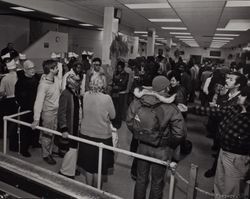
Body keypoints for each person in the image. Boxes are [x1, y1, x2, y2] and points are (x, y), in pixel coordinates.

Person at [126, 75, 186, 199]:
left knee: (141, 179)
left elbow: (130, 122)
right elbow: (179, 134)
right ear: (166, 88)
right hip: (161, 150)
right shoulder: (171, 108)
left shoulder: (138, 101)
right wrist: (166, 142)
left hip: (142, 146)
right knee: (157, 183)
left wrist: (141, 134)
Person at [78, 75, 115, 187]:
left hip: (86, 134)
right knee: (99, 166)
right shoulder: (107, 98)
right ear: (102, 85)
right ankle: (97, 192)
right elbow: (113, 115)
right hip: (102, 136)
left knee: (89, 166)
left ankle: (89, 190)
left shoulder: (85, 96)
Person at [31, 59, 61, 165]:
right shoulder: (43, 85)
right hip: (48, 113)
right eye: (56, 67)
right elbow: (38, 102)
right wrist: (36, 119)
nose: (58, 68)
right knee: (47, 134)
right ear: (51, 70)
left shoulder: (56, 79)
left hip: (56, 111)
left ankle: (50, 151)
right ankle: (45, 154)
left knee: (52, 133)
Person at [15, 60, 40, 157]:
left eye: (33, 67)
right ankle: (23, 149)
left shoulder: (36, 78)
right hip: (26, 110)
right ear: (25, 70)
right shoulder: (20, 82)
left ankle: (35, 143)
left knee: (36, 127)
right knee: (25, 130)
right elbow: (18, 97)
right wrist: (27, 107)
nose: (33, 70)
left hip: (36, 108)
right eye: (30, 68)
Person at [58, 74, 81, 178]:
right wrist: (64, 129)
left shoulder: (75, 93)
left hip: (76, 124)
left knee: (74, 148)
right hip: (69, 126)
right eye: (76, 82)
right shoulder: (65, 94)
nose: (79, 84)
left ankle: (71, 169)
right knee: (70, 148)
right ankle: (65, 171)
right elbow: (61, 112)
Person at [0, 58, 19, 151]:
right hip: (17, 100)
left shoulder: (5, 78)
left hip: (8, 101)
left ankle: (8, 141)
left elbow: (2, 92)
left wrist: (6, 93)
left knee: (8, 121)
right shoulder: (18, 76)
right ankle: (14, 145)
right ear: (15, 67)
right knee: (16, 123)